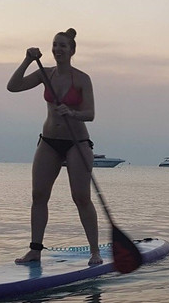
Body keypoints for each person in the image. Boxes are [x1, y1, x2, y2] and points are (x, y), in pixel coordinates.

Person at [7, 28, 101, 266]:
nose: (58, 49)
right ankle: (35, 250)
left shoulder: (81, 79)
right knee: (38, 195)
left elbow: (90, 114)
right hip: (49, 141)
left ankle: (94, 252)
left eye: (63, 46)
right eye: (55, 45)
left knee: (80, 197)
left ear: (72, 51)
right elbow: (13, 86)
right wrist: (28, 59)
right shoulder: (44, 74)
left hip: (76, 142)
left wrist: (72, 112)